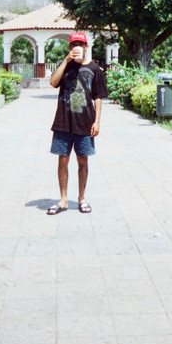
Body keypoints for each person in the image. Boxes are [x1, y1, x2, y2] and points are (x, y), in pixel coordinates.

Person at [47, 31, 108, 215]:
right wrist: (66, 61)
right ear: (70, 47)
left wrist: (97, 121)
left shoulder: (95, 69)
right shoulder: (66, 65)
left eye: (80, 45)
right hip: (63, 121)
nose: (77, 47)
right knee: (62, 159)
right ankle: (63, 199)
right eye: (74, 45)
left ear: (86, 47)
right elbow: (53, 82)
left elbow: (98, 96)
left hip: (85, 121)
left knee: (82, 160)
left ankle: (81, 198)